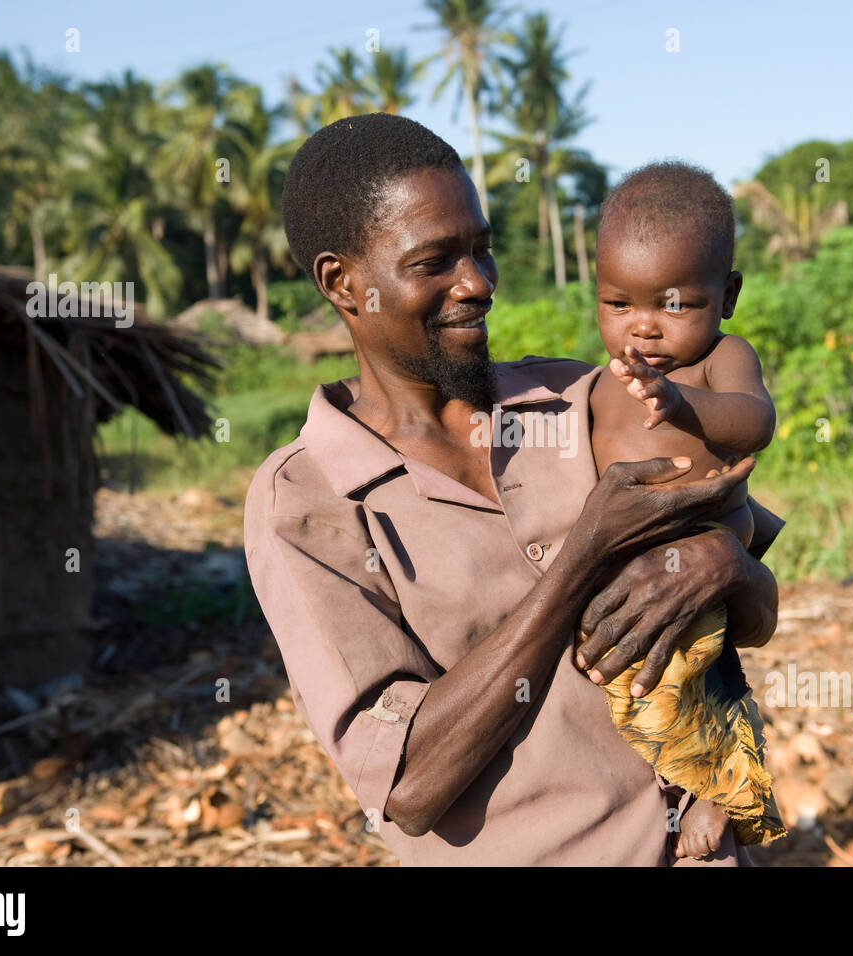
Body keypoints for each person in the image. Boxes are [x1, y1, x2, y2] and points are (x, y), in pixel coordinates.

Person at [243, 113, 784, 866]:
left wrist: (723, 567)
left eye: (482, 249)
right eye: (435, 262)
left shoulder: (582, 396)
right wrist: (583, 558)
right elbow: (409, 784)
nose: (478, 283)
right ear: (344, 283)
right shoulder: (311, 499)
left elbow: (751, 613)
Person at [586, 161, 787, 859]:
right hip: (624, 563)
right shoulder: (600, 381)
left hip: (701, 552)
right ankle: (664, 784)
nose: (642, 327)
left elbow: (754, 420)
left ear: (726, 294)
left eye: (673, 304)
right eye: (618, 305)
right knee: (638, 687)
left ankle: (722, 791)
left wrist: (684, 404)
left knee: (707, 673)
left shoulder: (720, 360)